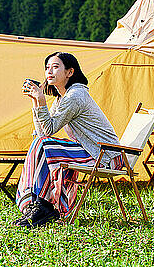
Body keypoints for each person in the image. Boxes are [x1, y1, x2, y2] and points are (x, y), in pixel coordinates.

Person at [13, 52, 122, 228]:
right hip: (92, 151)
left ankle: (41, 205)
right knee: (41, 143)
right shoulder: (62, 98)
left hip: (106, 156)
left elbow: (47, 132)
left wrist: (41, 100)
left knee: (43, 145)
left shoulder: (75, 96)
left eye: (55, 67)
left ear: (70, 72)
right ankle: (40, 206)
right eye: (47, 67)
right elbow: (43, 133)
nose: (49, 71)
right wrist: (36, 101)